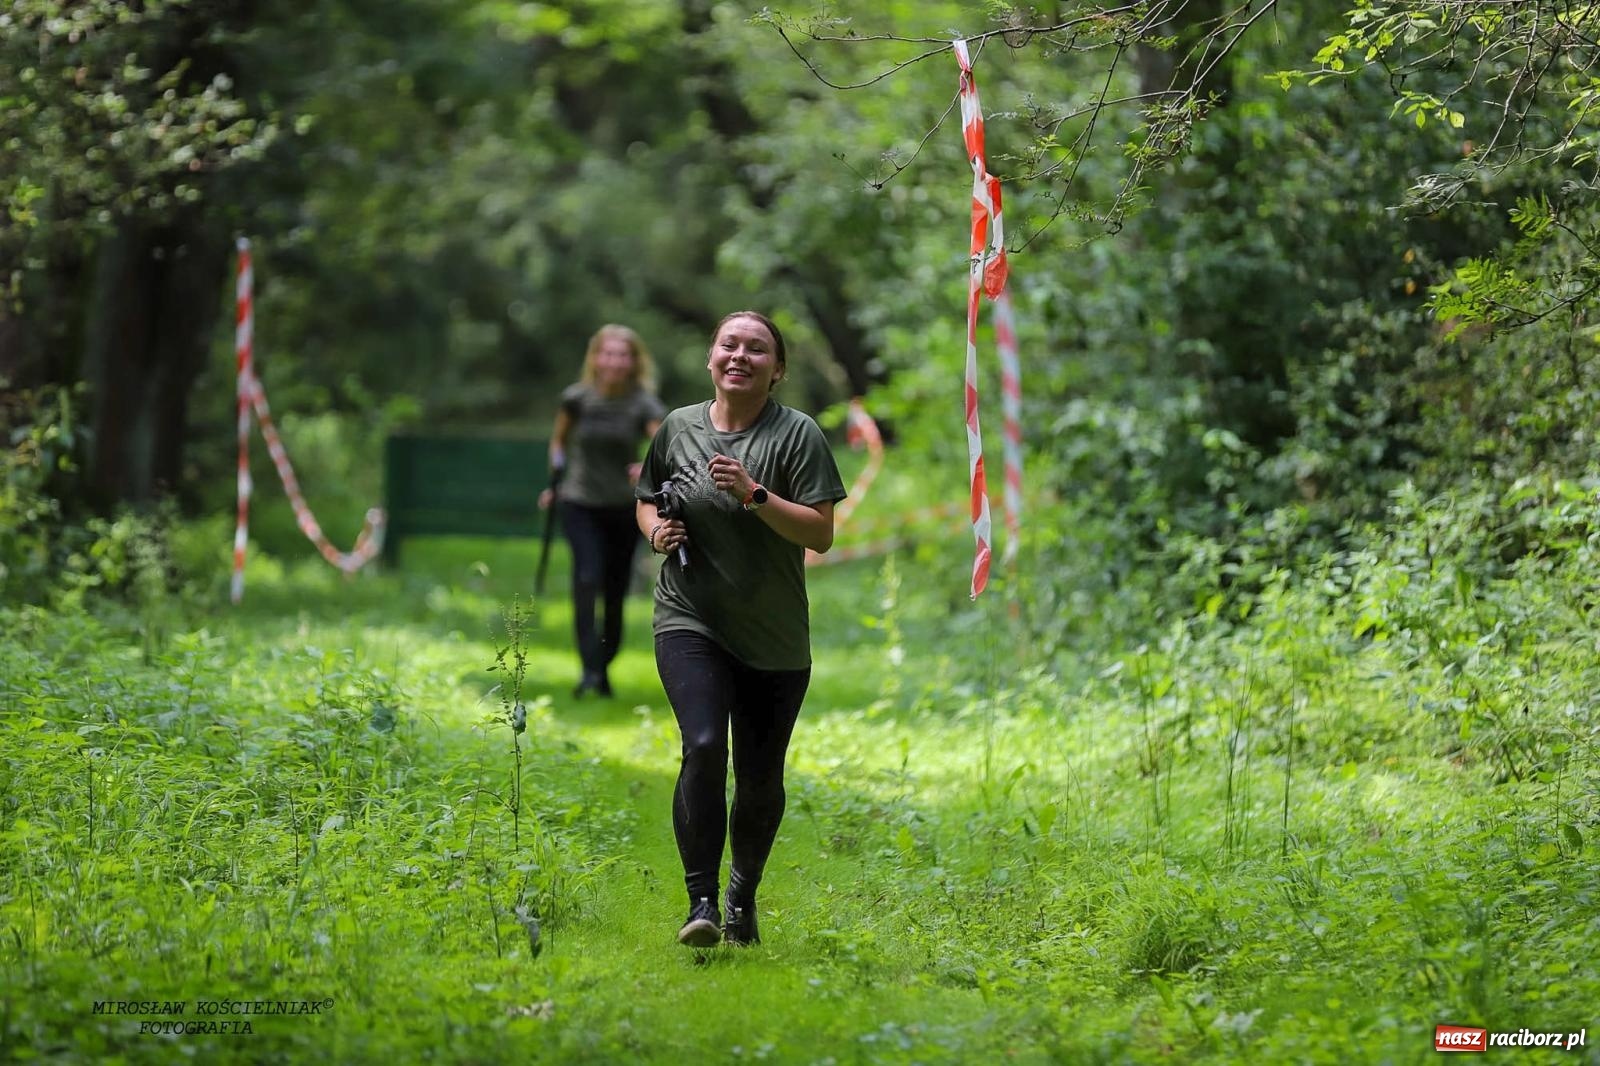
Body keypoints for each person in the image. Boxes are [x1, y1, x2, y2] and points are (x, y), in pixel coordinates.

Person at [634, 311, 846, 947]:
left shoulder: (797, 435)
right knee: (702, 744)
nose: (740, 356)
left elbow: (821, 532)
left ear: (775, 370)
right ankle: (699, 902)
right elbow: (647, 497)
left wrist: (753, 494)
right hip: (689, 615)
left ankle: (740, 898)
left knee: (759, 777)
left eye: (757, 350)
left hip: (773, 635)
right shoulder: (677, 428)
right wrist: (657, 531)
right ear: (710, 359)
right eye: (729, 345)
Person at [540, 324, 665, 698]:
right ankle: (590, 668)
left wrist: (646, 466)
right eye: (608, 353)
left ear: (633, 362)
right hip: (578, 501)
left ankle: (604, 663)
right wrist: (555, 481)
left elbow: (665, 446)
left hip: (624, 507)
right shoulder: (577, 398)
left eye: (623, 355)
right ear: (595, 358)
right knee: (586, 577)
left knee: (614, 588)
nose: (614, 361)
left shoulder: (643, 403)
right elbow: (558, 443)